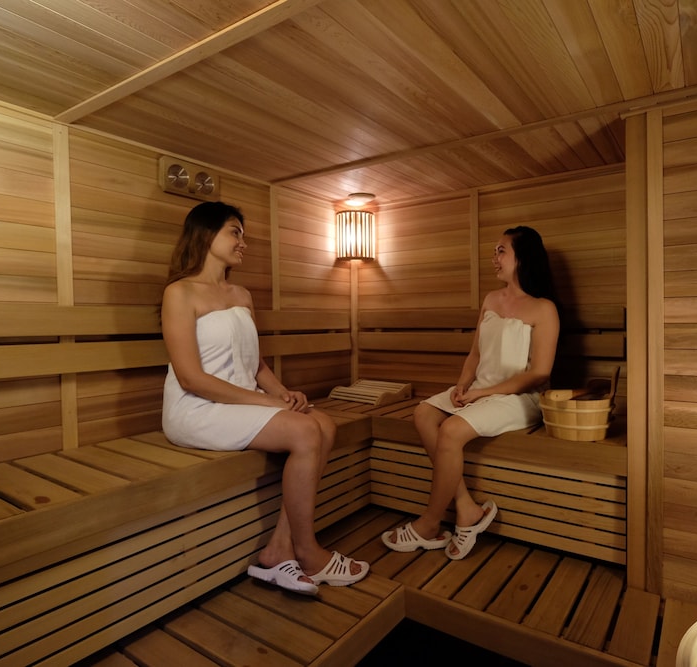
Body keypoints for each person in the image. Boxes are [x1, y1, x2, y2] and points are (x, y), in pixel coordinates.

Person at [161, 201, 368, 595]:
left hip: (243, 401)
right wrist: (268, 403)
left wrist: (282, 393)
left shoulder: (241, 294)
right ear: (206, 233)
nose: (243, 242)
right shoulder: (180, 293)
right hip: (198, 408)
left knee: (324, 424)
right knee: (305, 431)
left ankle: (278, 549)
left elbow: (254, 363)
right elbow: (190, 377)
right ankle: (307, 551)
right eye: (235, 232)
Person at [382, 226, 560, 559]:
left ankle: (429, 524)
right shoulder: (491, 299)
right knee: (423, 413)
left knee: (451, 430)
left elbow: (539, 373)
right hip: (480, 390)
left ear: (522, 257)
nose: (494, 257)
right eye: (495, 251)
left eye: (501, 250)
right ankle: (466, 507)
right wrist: (463, 384)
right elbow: (475, 353)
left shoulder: (543, 309)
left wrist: (482, 393)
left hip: (519, 398)